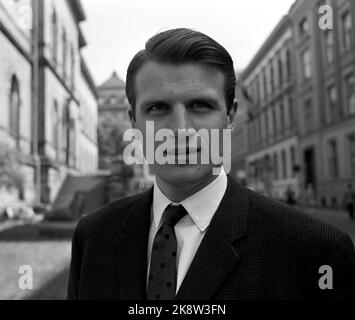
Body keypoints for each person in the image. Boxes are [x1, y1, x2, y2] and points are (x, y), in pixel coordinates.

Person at [67, 28, 355, 300]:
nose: (180, 130)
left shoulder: (315, 251)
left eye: (200, 106)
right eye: (158, 108)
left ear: (230, 116)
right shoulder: (93, 236)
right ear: (134, 121)